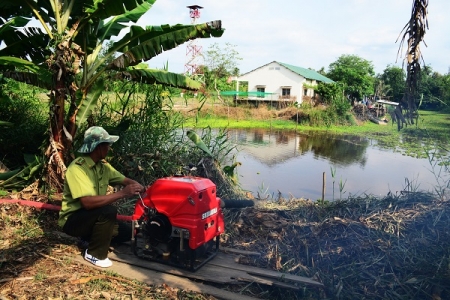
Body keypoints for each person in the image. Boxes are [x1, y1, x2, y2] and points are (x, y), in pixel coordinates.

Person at [58, 126, 144, 268]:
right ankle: (94, 253)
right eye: (107, 145)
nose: (109, 148)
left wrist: (137, 186)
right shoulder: (77, 168)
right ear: (98, 147)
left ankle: (88, 238)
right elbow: (87, 203)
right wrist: (122, 193)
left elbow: (123, 180)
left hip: (93, 217)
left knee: (129, 232)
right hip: (73, 221)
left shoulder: (103, 166)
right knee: (108, 211)